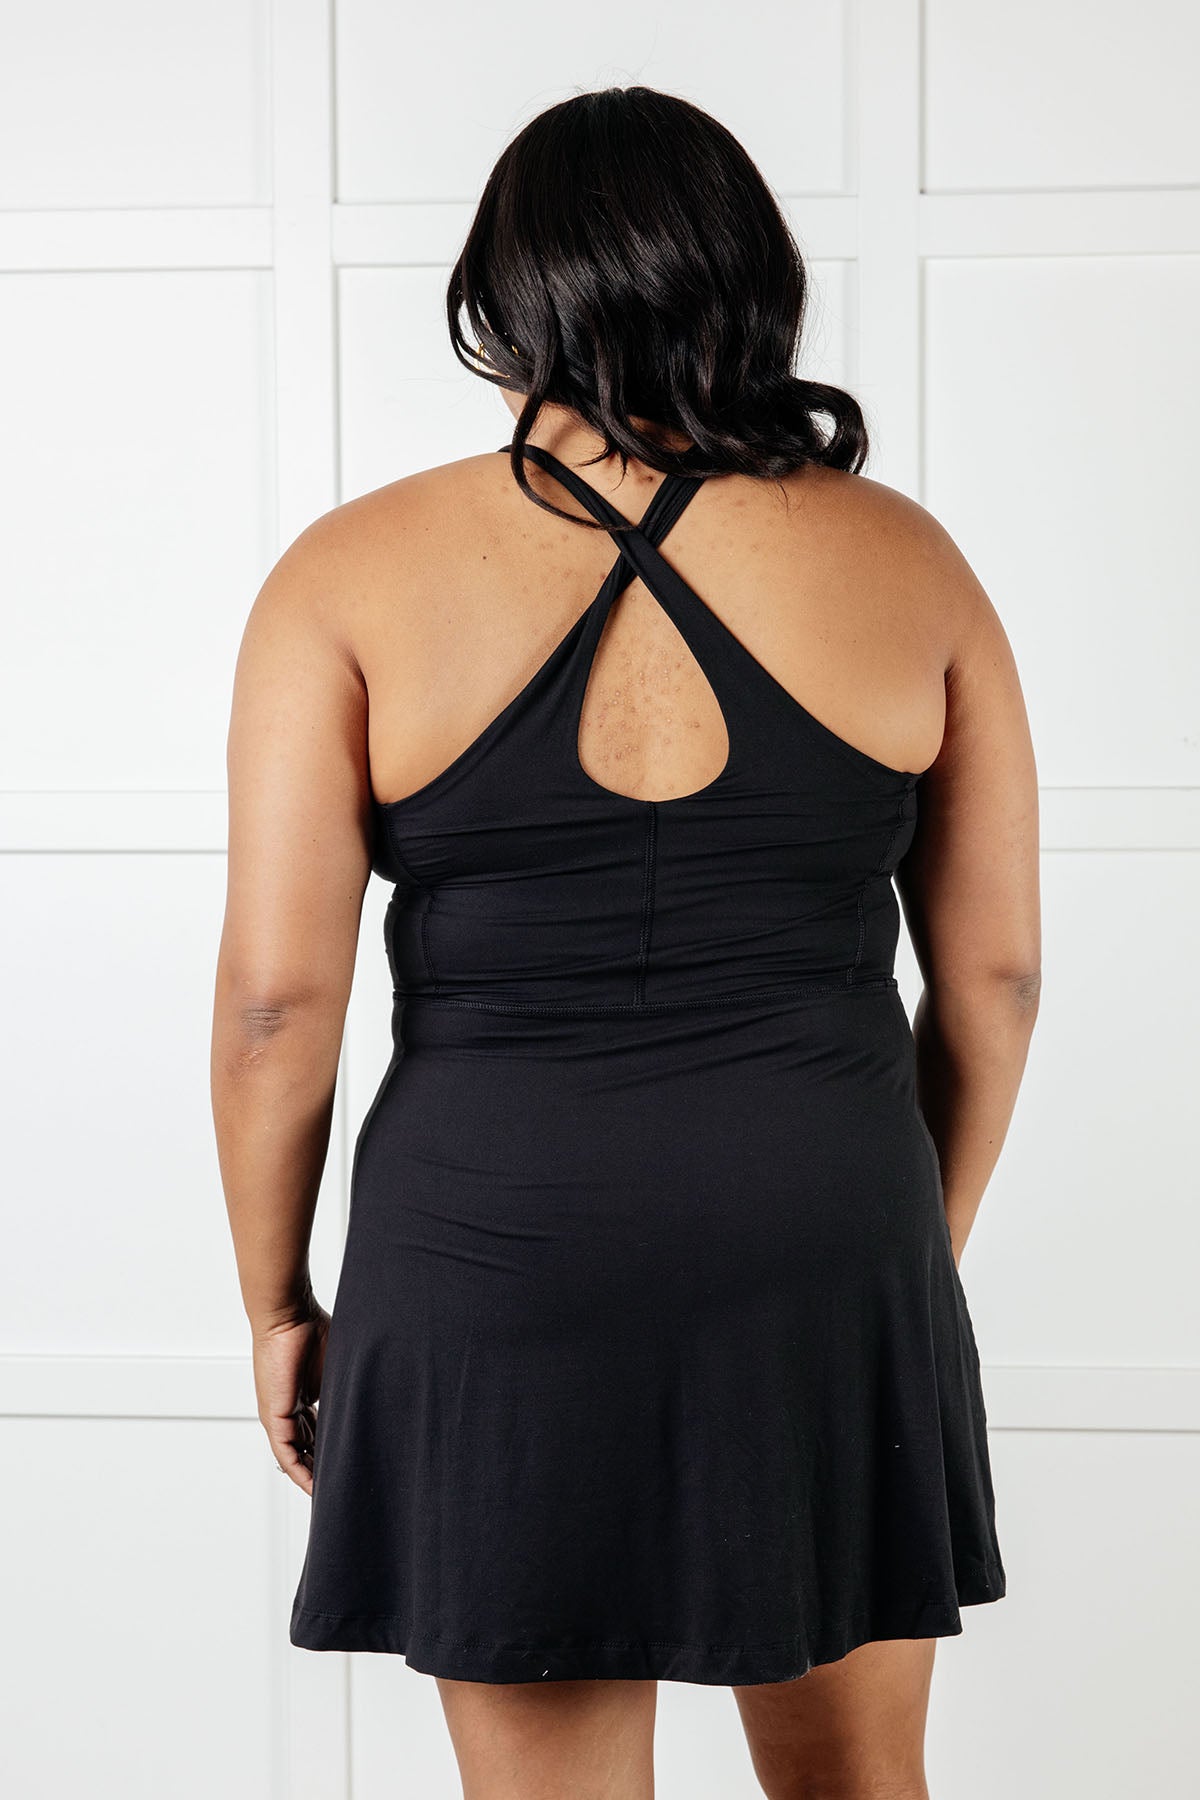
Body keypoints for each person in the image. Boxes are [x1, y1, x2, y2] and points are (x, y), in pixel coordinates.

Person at [211, 85, 1040, 1800]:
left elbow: (279, 1006)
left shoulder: (350, 574)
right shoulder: (911, 562)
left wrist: (278, 1301)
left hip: (491, 1256)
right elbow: (997, 979)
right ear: (752, 278)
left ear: (501, 293)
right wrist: (908, 1247)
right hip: (824, 1228)